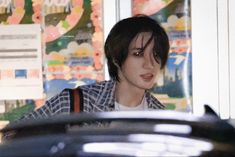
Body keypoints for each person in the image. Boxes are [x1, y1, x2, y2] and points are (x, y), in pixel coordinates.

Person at [19, 14, 170, 120]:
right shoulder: (76, 104)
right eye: (138, 53)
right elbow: (14, 135)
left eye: (156, 54)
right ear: (116, 57)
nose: (150, 64)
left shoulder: (162, 118)